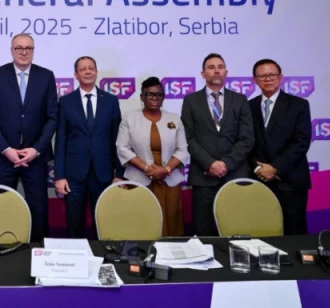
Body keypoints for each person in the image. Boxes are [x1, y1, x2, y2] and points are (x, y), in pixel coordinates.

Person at [0, 33, 58, 242]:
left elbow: (52, 117)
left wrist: (36, 149)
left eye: (28, 48)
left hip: (35, 157)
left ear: (33, 50)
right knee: (2, 207)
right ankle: (2, 249)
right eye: (19, 48)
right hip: (4, 157)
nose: (24, 52)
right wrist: (6, 149)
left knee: (39, 210)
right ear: (11, 50)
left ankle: (39, 252)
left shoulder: (46, 76)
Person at [181, 53, 254, 236]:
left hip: (234, 175)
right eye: (211, 67)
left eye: (220, 67)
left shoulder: (240, 100)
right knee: (203, 231)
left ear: (226, 72)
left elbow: (247, 138)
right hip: (204, 176)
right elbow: (188, 138)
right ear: (203, 73)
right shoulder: (191, 101)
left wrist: (226, 164)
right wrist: (210, 164)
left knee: (237, 229)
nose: (216, 71)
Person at [54, 56, 123, 238]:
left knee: (103, 223)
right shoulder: (66, 102)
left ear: (96, 72)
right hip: (74, 175)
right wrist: (59, 176)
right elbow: (60, 140)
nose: (87, 72)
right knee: (74, 224)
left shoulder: (111, 101)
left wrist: (119, 174)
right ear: (76, 75)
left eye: (91, 68)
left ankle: (104, 255)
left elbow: (118, 140)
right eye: (83, 69)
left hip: (103, 174)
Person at [115, 77, 189, 236]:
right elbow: (122, 148)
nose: (154, 98)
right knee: (143, 221)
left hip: (169, 179)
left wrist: (166, 169)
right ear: (142, 97)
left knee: (170, 222)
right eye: (149, 94)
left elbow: (183, 150)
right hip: (140, 178)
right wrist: (148, 169)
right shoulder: (130, 117)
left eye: (159, 94)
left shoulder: (174, 118)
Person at [249, 59, 312, 235]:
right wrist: (259, 169)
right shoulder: (248, 106)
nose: (268, 79)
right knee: (262, 235)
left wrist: (275, 168)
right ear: (255, 80)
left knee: (294, 235)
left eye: (272, 75)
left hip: (290, 181)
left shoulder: (299, 105)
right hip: (259, 180)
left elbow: (301, 142)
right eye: (262, 76)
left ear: (281, 77)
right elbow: (246, 142)